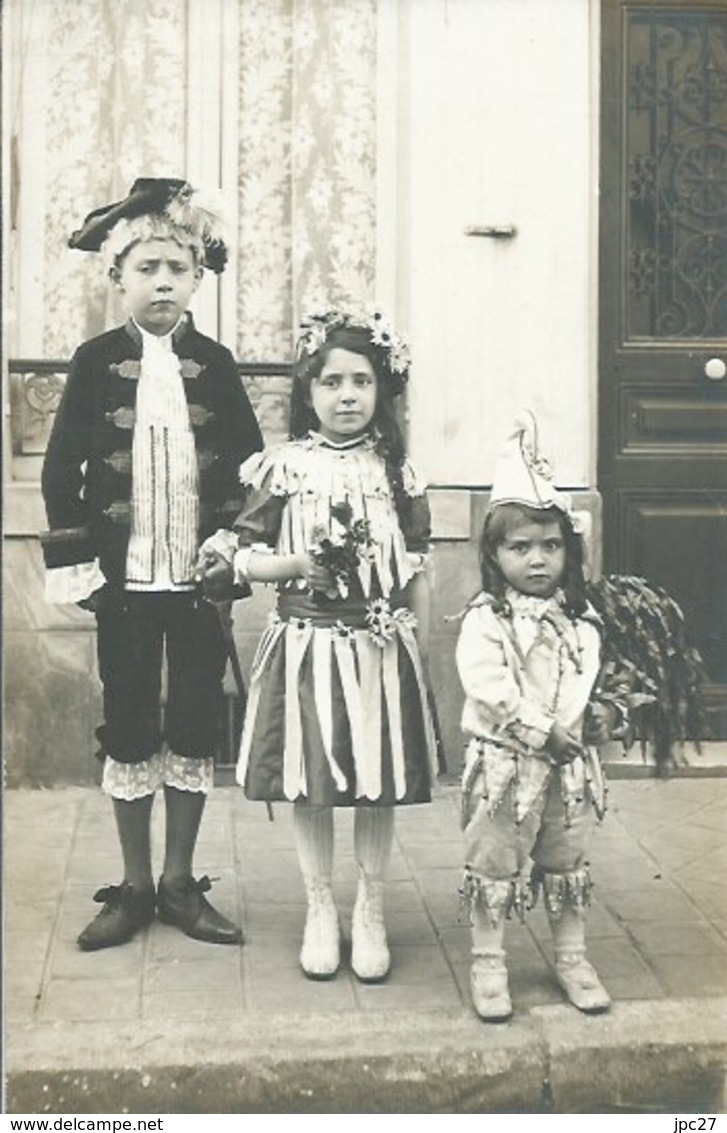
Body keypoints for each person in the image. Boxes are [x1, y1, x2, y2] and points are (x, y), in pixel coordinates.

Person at [40, 178, 263, 951]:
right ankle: (133, 886)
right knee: (129, 723)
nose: (162, 280)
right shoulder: (96, 362)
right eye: (146, 268)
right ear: (118, 279)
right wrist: (85, 571)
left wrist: (229, 548)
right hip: (124, 586)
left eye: (177, 267)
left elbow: (249, 469)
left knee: (196, 724)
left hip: (196, 589)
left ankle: (179, 881)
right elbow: (59, 470)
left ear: (198, 277)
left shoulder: (216, 362)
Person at [200, 306, 439, 982]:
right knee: (310, 779)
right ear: (308, 392)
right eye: (331, 382)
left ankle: (369, 904)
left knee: (372, 780)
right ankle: (317, 905)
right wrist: (296, 564)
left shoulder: (398, 473)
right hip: (306, 641)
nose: (346, 396)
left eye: (360, 382)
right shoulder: (282, 468)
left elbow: (417, 564)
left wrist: (416, 644)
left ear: (379, 391)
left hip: (378, 647)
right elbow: (239, 558)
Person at [454, 411, 625, 1021]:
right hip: (507, 767)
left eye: (550, 546)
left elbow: (591, 679)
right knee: (495, 859)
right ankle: (489, 962)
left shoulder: (581, 618)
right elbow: (488, 685)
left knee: (566, 859)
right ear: (495, 554)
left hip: (569, 769)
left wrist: (602, 713)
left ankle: (573, 956)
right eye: (520, 547)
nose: (537, 560)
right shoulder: (486, 619)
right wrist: (535, 728)